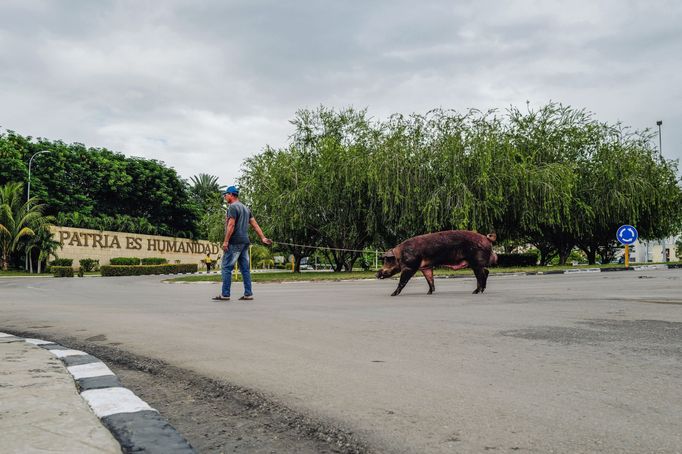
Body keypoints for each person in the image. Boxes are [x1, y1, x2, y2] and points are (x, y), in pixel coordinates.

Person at [213, 186, 272, 301]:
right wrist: (263, 238)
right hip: (245, 242)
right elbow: (255, 224)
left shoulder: (233, 207)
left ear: (231, 194)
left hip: (234, 242)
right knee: (245, 269)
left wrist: (225, 241)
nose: (225, 197)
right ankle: (248, 294)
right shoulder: (246, 208)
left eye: (225, 195)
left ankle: (225, 294)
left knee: (226, 267)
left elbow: (231, 225)